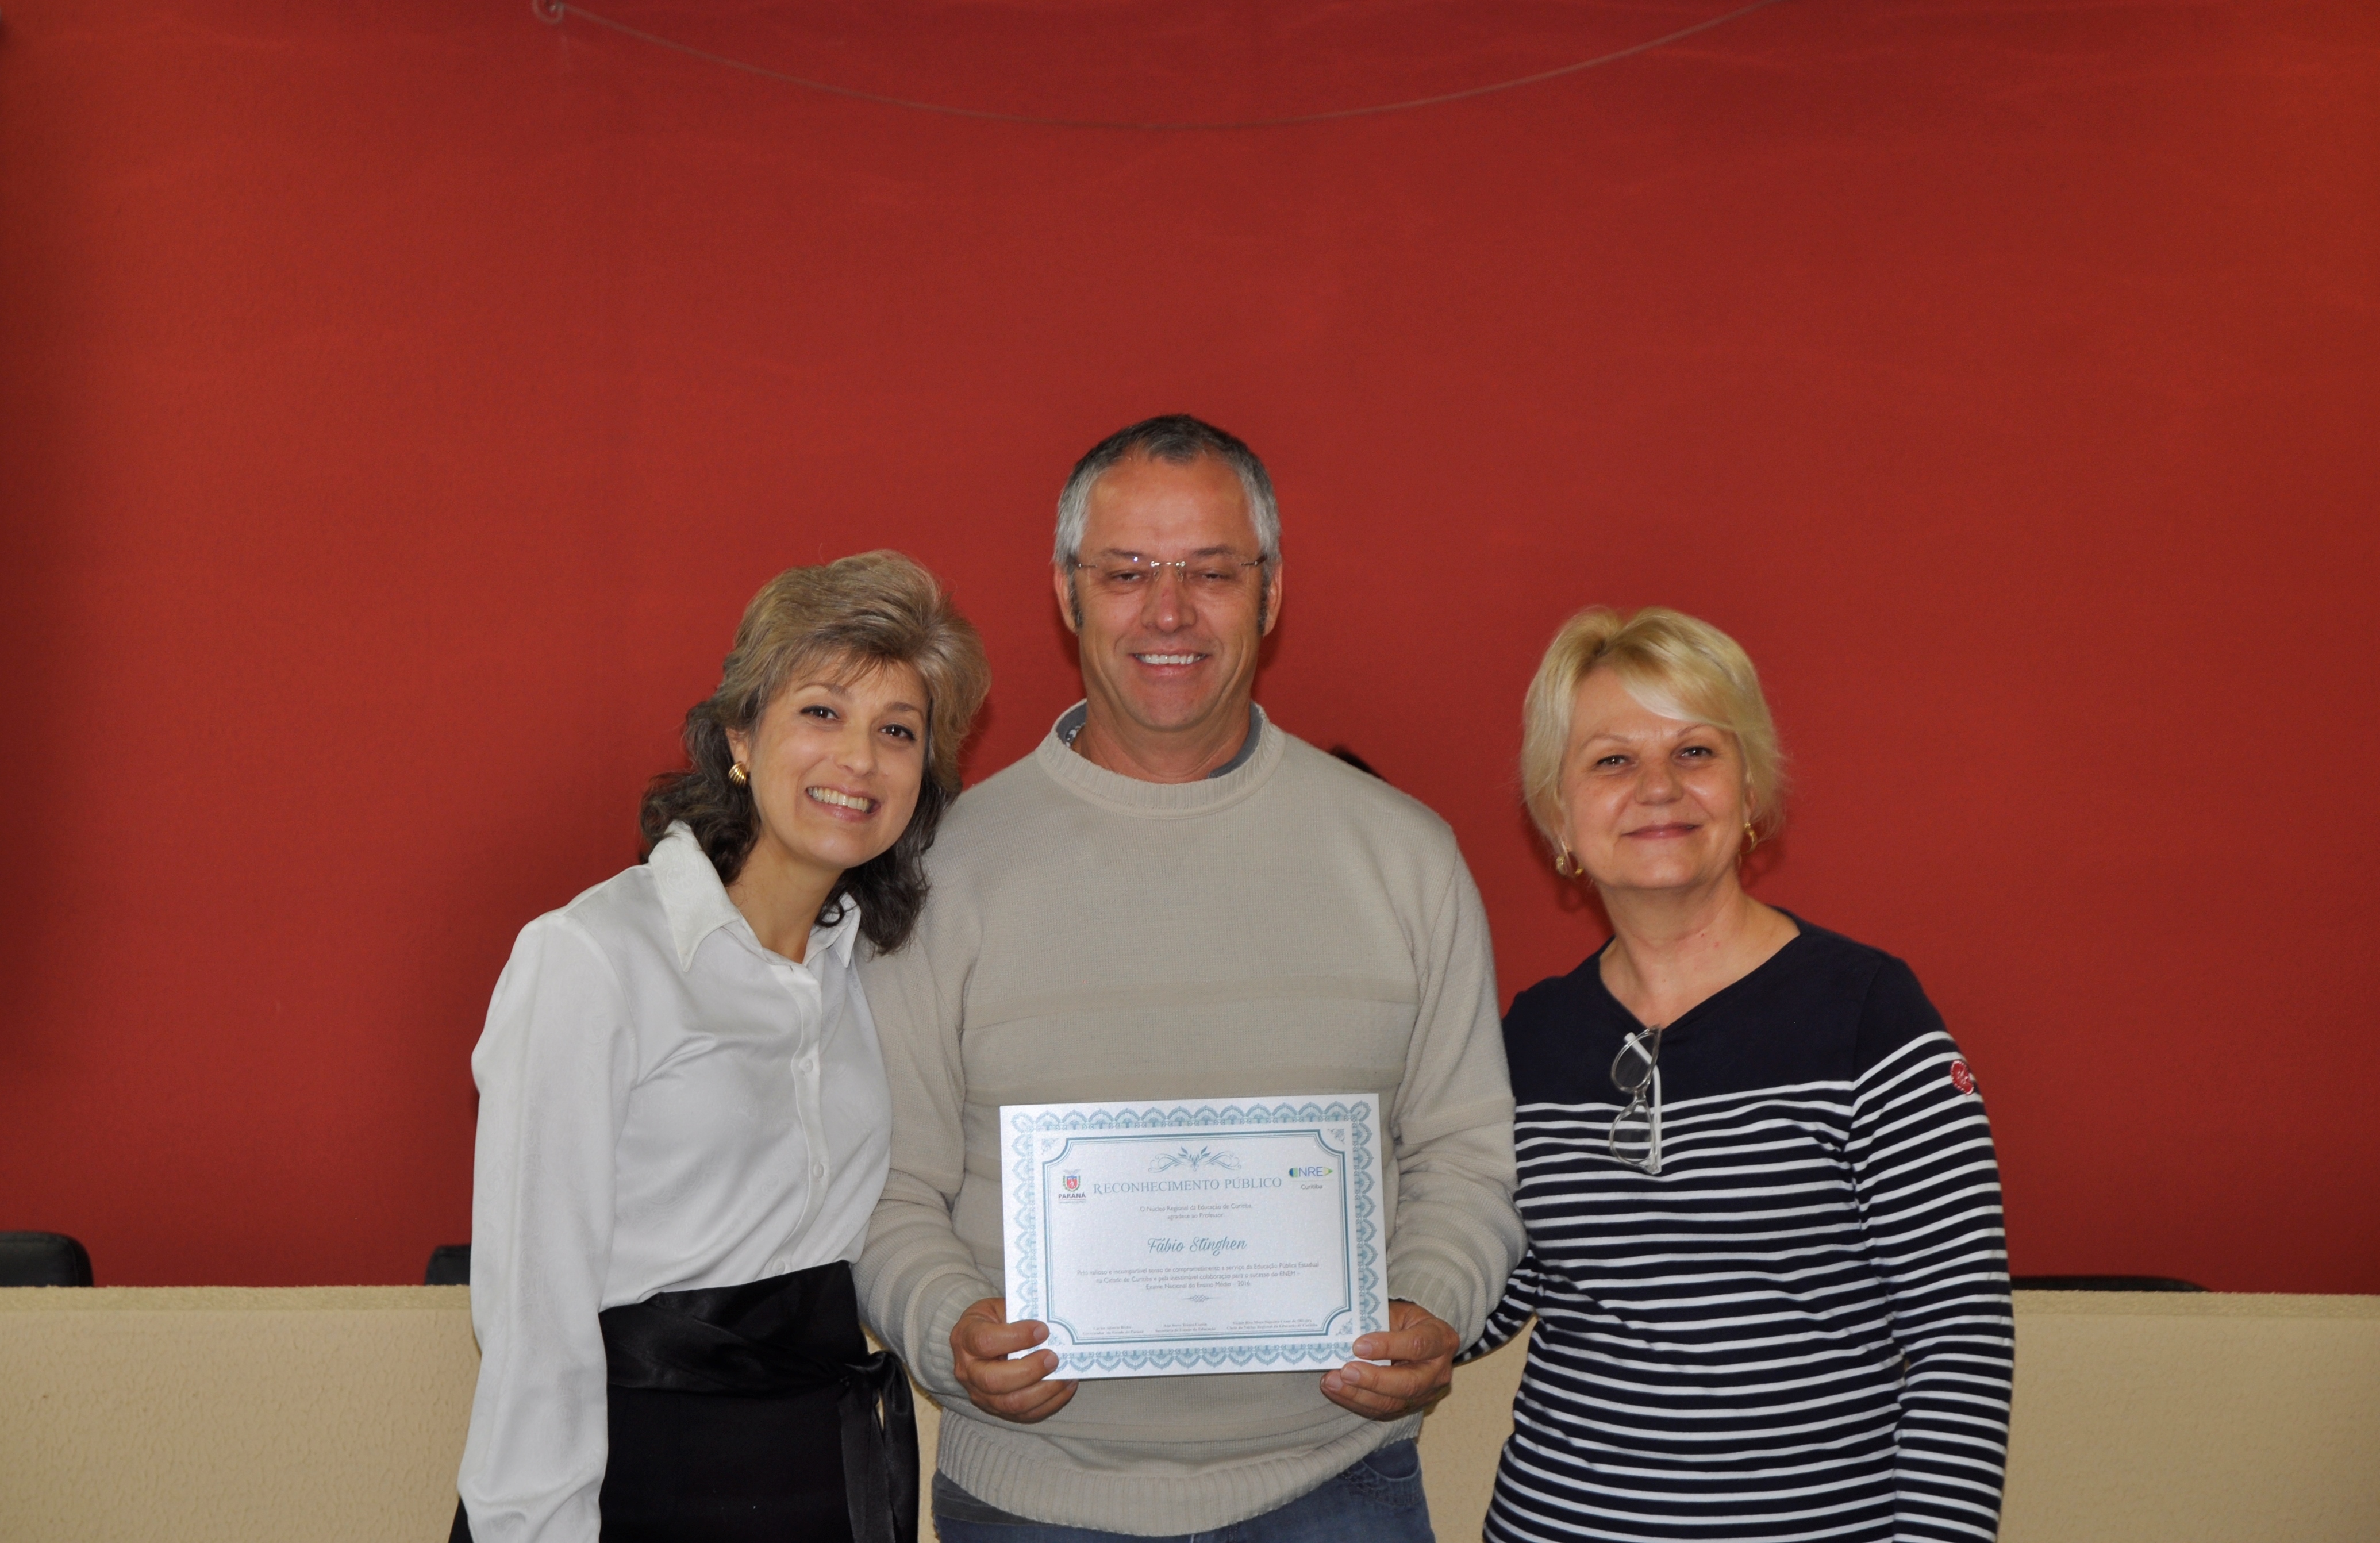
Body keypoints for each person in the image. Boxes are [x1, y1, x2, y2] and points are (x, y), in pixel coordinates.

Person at [855, 414, 1524, 1541]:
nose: (1169, 611)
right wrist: (946, 1327)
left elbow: (1467, 1148)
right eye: (1126, 572)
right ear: (1067, 593)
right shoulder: (937, 870)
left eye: (1213, 570)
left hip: (1336, 1490)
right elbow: (886, 1184)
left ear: (1271, 593)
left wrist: (1434, 1304)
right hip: (1029, 1502)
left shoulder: (1404, 855)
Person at [455, 552, 990, 1543]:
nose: (860, 760)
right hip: (637, 1472)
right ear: (740, 734)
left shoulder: (869, 975)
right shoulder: (591, 957)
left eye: (898, 731)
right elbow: (535, 1313)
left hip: (818, 1472)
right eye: (821, 712)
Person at [1473, 605, 2014, 1543]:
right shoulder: (1533, 1035)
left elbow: (1958, 1340)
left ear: (1750, 787)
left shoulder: (1865, 1013)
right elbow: (1490, 1299)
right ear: (1557, 813)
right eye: (1609, 759)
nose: (1656, 787)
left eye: (1694, 752)